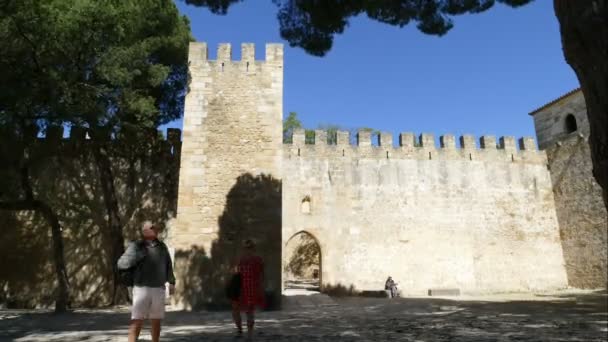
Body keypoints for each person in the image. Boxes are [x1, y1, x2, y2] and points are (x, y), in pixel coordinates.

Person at [117, 221, 175, 342]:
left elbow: (168, 265)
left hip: (159, 288)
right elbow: (121, 264)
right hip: (141, 288)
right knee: (137, 320)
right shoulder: (136, 246)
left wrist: (172, 282)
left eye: (155, 227)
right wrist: (139, 255)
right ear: (144, 231)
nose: (155, 229)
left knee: (156, 321)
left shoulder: (162, 246)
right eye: (151, 228)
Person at [231, 239, 265, 338]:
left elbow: (261, 275)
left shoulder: (244, 260)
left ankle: (245, 332)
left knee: (247, 311)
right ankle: (243, 331)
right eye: (246, 248)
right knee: (245, 311)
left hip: (248, 288)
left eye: (248, 248)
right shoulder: (255, 259)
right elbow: (262, 275)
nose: (247, 250)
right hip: (245, 288)